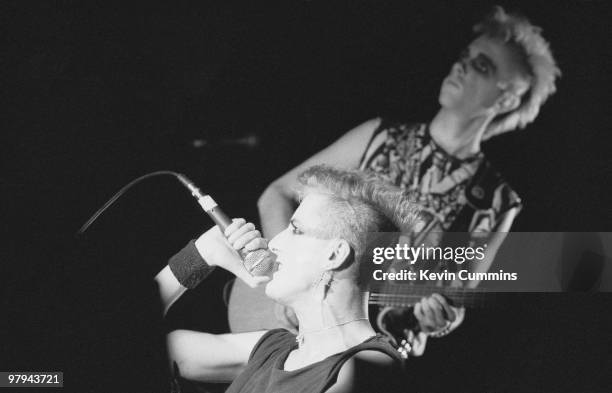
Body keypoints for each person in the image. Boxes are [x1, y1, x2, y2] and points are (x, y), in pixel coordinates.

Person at [235, 6, 561, 340]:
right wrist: (286, 278)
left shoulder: (497, 201)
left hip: (367, 344)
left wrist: (442, 318)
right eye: (465, 55)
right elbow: (276, 194)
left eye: (482, 66)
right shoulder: (378, 136)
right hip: (296, 320)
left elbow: (455, 297)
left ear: (507, 100)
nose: (460, 65)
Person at [154, 166, 452, 392]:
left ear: (334, 255)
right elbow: (134, 342)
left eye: (295, 229)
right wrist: (203, 254)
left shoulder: (363, 369)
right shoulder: (273, 348)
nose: (274, 243)